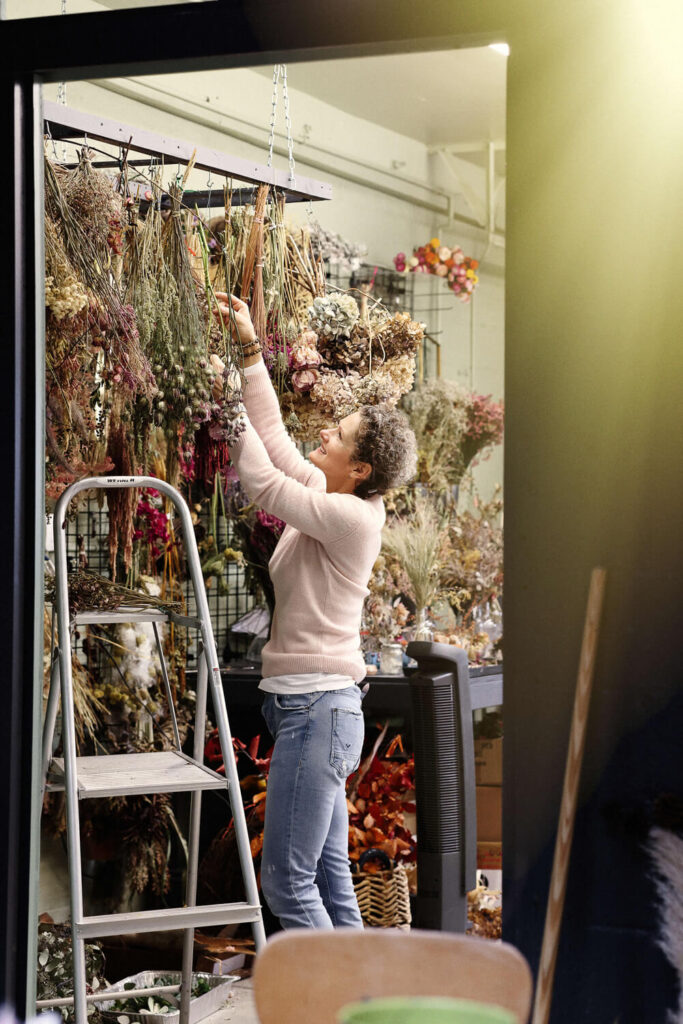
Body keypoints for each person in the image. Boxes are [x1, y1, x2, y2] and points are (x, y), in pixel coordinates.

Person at [214, 292, 417, 930]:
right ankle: (360, 1001)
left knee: (287, 884)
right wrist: (247, 350)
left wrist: (223, 407)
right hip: (314, 709)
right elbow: (274, 440)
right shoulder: (329, 497)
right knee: (328, 880)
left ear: (359, 468)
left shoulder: (350, 517)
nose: (324, 433)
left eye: (339, 434)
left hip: (318, 710)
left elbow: (264, 483)